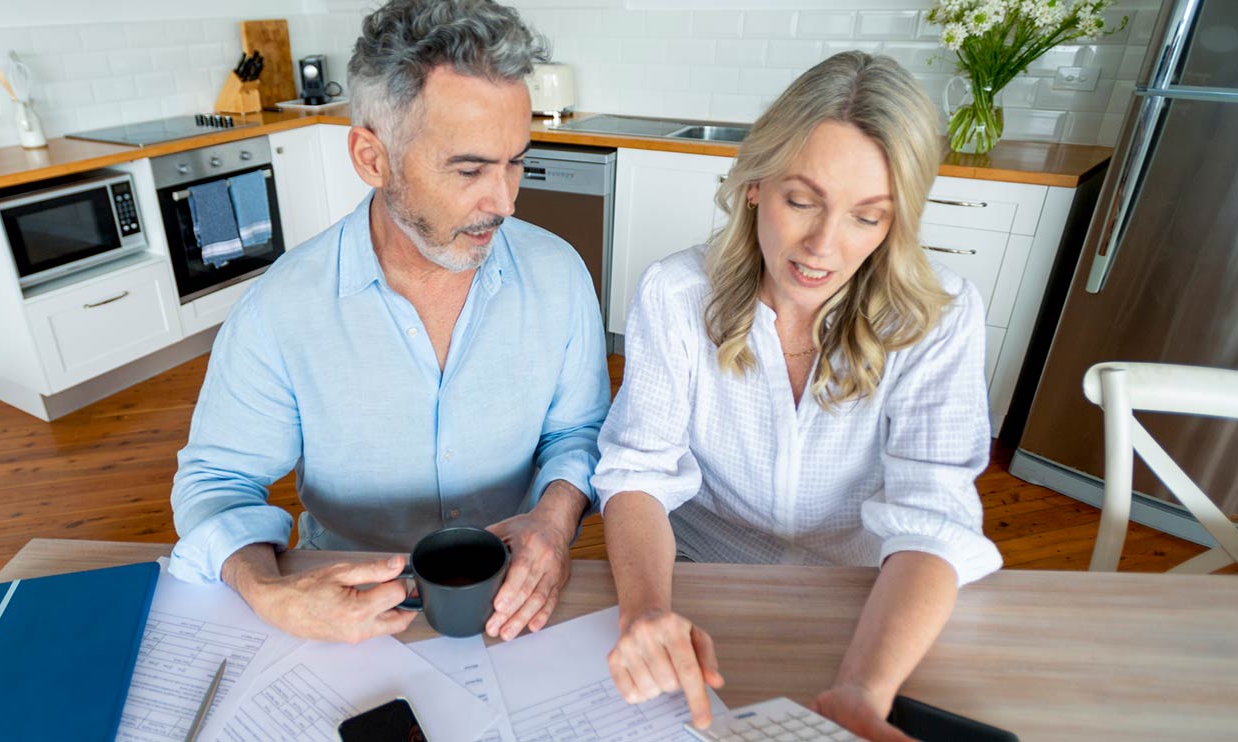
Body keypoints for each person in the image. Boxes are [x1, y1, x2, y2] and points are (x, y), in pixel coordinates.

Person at [169, 0, 608, 646]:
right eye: (469, 169)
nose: (506, 201)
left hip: (514, 606)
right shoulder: (280, 310)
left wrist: (554, 516)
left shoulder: (560, 276)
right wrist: (270, 592)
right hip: (343, 618)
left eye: (516, 160)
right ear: (372, 159)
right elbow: (217, 482)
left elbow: (579, 430)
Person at [593, 52, 1002, 740]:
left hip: (866, 596)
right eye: (802, 201)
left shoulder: (941, 315)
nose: (823, 247)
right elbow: (638, 473)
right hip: (697, 578)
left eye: (867, 218)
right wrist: (646, 613)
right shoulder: (675, 293)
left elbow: (934, 514)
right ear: (755, 183)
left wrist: (862, 693)